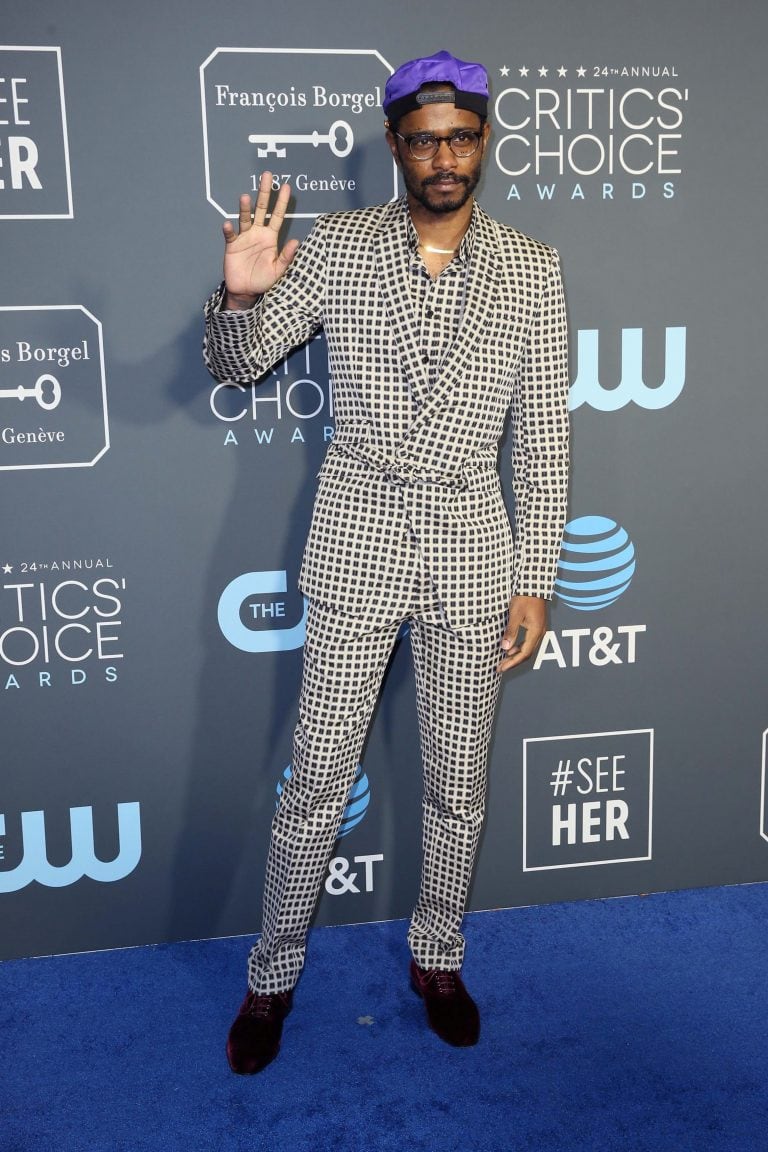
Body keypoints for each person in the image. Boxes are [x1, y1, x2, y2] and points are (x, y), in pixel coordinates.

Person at [203, 48, 570, 1074]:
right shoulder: (338, 247)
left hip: (473, 554)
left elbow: (542, 437)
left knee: (460, 785)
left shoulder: (534, 269)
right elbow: (241, 368)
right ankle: (272, 978)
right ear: (395, 145)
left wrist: (535, 577)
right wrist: (240, 298)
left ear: (484, 140)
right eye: (424, 139)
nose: (445, 157)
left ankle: (438, 958)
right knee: (316, 780)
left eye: (461, 137)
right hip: (358, 542)